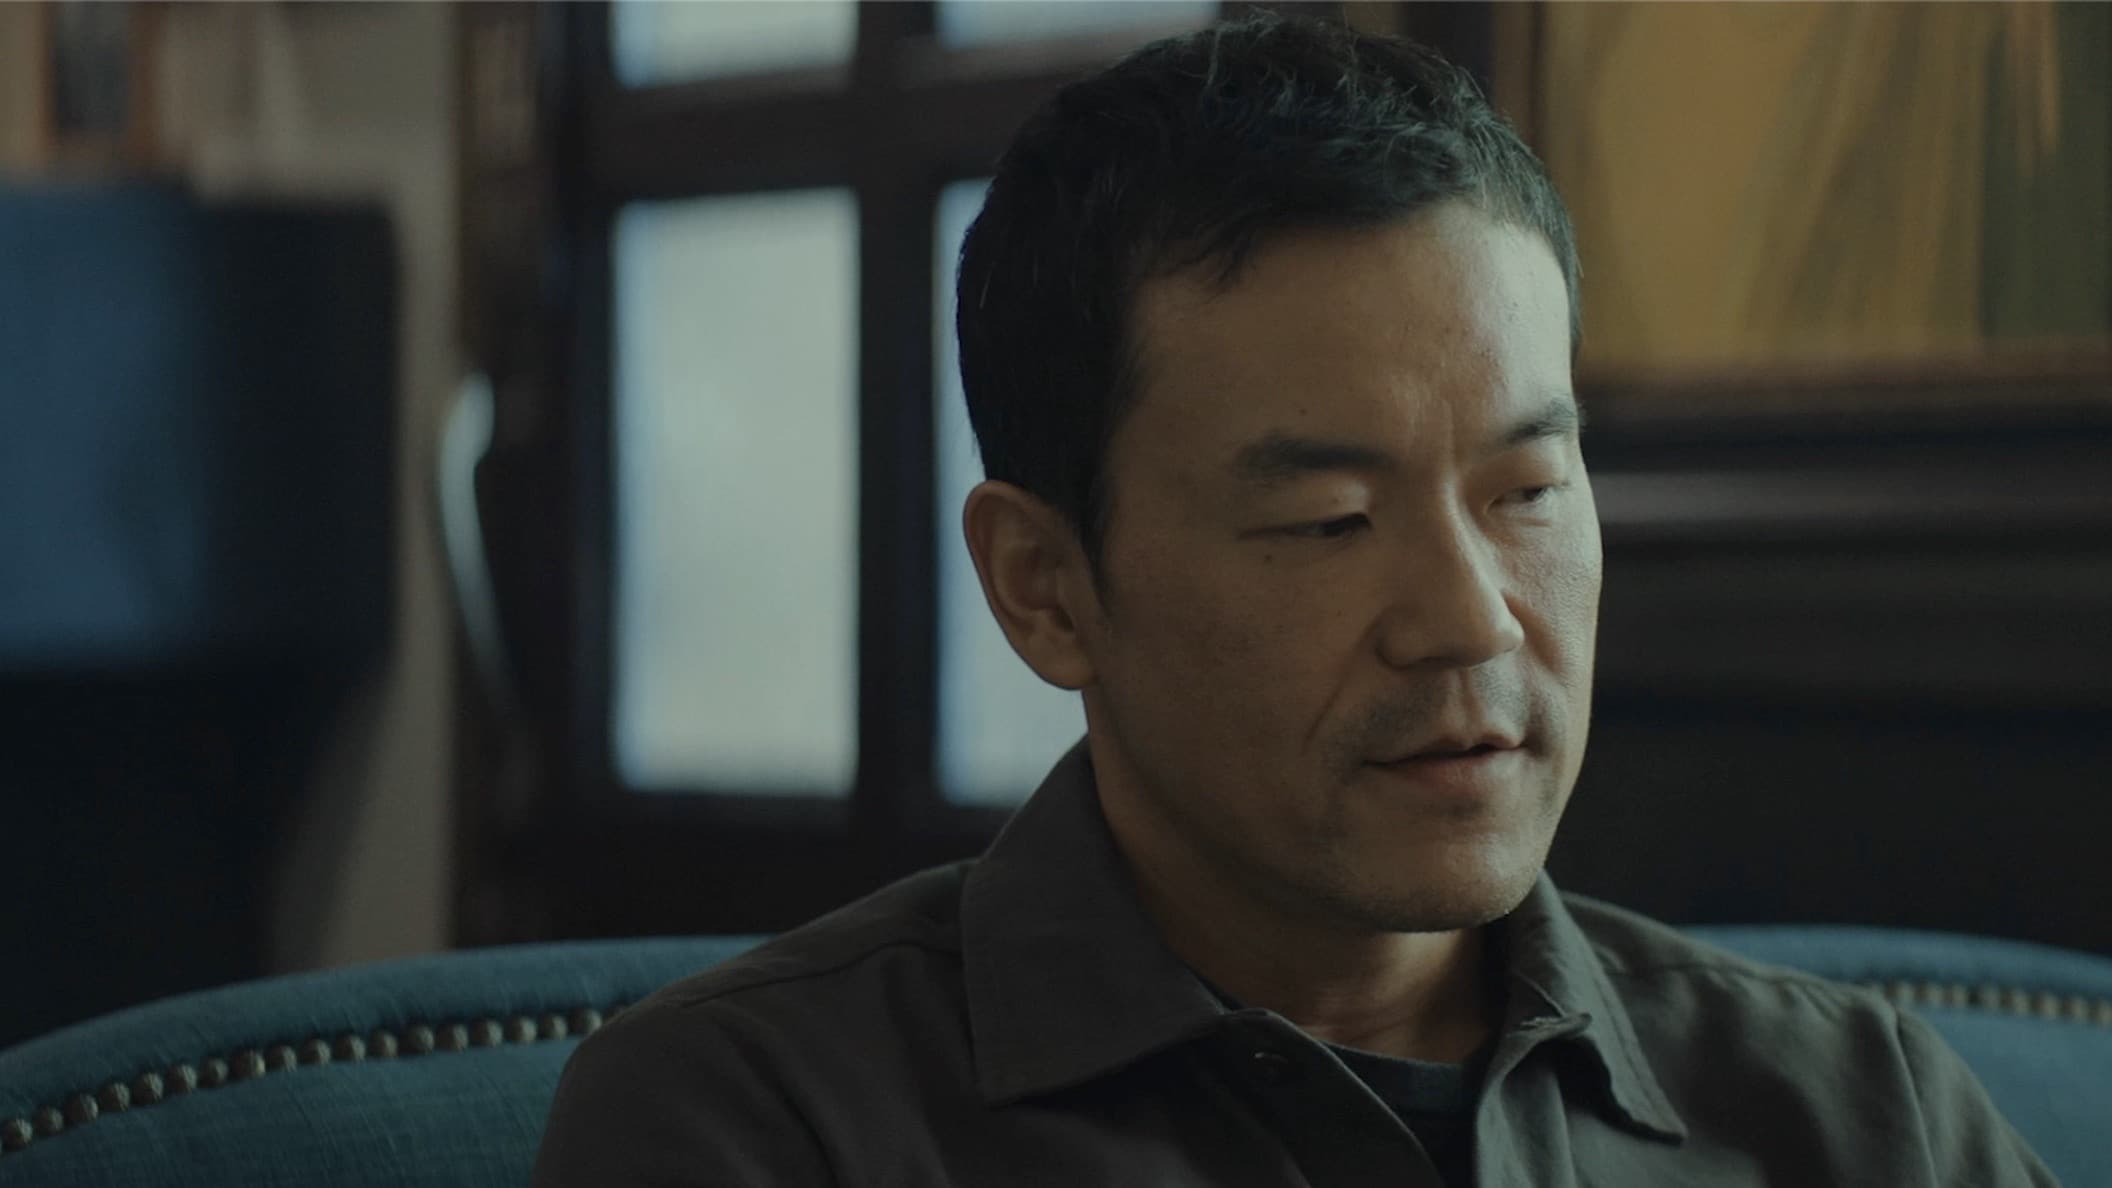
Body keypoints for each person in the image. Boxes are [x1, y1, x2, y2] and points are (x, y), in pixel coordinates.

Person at [533, 16, 2057, 1187]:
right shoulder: (760, 1125)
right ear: (1045, 588)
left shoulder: (1855, 1112)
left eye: (1528, 492)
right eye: (1330, 520)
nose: (1470, 620)